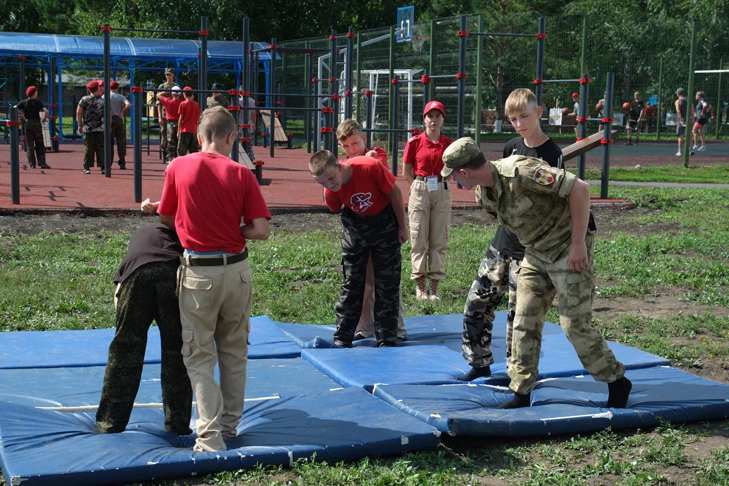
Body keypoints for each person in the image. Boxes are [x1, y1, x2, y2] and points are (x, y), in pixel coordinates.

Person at [441, 137, 632, 409]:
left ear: (464, 172)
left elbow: (580, 189)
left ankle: (616, 381)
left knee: (574, 325)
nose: (456, 182)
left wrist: (579, 244)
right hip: (536, 253)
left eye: (455, 176)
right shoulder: (484, 192)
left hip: (568, 248)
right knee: (523, 320)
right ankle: (521, 390)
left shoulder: (521, 172)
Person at [158, 105, 271, 452]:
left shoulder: (178, 166)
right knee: (234, 351)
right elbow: (261, 230)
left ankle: (209, 436)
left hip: (198, 274)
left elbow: (165, 218)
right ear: (231, 136)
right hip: (236, 271)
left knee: (199, 354)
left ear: (198, 135)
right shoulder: (241, 174)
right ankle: (229, 425)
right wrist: (232, 229)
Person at [459, 88, 564, 381]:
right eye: (513, 119)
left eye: (524, 116)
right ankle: (478, 361)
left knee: (517, 316)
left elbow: (555, 202)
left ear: (539, 112)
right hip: (502, 242)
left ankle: (514, 372)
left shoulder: (552, 154)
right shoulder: (511, 147)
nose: (519, 124)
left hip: (529, 250)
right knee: (477, 302)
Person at [95, 216, 193, 436]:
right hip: (172, 274)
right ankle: (177, 424)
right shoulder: (188, 233)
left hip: (138, 274)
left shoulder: (143, 233)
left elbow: (119, 290)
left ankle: (110, 422)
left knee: (125, 349)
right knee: (177, 351)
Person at [308, 149, 407, 348]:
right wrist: (329, 187)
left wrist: (402, 226)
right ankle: (343, 336)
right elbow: (336, 209)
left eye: (331, 178)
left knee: (387, 281)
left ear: (339, 166)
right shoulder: (330, 190)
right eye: (323, 182)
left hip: (384, 220)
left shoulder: (369, 167)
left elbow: (394, 193)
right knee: (352, 282)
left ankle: (387, 336)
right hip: (355, 224)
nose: (330, 184)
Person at [335, 119, 407, 342]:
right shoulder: (344, 166)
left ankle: (396, 327)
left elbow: (391, 189)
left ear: (363, 139)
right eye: (346, 146)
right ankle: (363, 325)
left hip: (382, 226)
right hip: (359, 228)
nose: (351, 150)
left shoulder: (375, 157)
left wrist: (401, 226)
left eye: (355, 143)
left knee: (386, 279)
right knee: (362, 279)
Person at [403, 100, 452, 300]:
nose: (433, 120)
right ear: (424, 119)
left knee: (438, 238)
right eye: (429, 116)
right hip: (421, 188)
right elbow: (407, 170)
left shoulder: (448, 144)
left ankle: (435, 288)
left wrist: (442, 181)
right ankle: (420, 287)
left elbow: (452, 167)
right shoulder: (414, 142)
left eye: (437, 116)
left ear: (442, 120)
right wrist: (417, 186)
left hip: (441, 188)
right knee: (418, 236)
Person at [15, 85, 50, 169]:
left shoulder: (23, 102)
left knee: (29, 145)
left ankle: (32, 164)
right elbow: (45, 110)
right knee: (40, 144)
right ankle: (42, 163)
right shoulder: (38, 102)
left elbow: (16, 108)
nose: (37, 93)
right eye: (36, 92)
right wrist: (44, 118)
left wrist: (22, 117)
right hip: (37, 124)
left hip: (27, 124)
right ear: (34, 93)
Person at [77, 80, 105, 174]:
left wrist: (80, 125)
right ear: (97, 88)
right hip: (100, 127)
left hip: (88, 128)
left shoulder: (84, 99)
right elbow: (108, 114)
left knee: (89, 148)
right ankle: (103, 167)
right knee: (101, 148)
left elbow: (79, 113)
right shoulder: (103, 100)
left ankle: (87, 167)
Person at [105, 80, 130, 169]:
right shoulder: (120, 97)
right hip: (119, 119)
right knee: (121, 142)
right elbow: (128, 104)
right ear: (117, 88)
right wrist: (122, 112)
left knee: (109, 142)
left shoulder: (105, 96)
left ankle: (109, 162)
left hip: (109, 120)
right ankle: (122, 162)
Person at [157, 86, 183, 163]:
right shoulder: (181, 102)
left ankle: (170, 158)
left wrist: (167, 92)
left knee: (170, 140)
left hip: (170, 123)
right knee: (179, 140)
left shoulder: (168, 101)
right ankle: (178, 157)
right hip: (179, 122)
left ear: (172, 94)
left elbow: (158, 95)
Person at [157, 68, 177, 161]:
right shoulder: (162, 86)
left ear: (173, 75)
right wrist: (159, 116)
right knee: (164, 133)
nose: (168, 76)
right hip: (164, 113)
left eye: (169, 74)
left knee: (173, 134)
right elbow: (158, 102)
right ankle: (164, 153)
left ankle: (172, 154)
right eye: (166, 75)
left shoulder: (176, 86)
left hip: (174, 114)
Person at [177, 86, 201, 156]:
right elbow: (199, 118)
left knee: (181, 151)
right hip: (194, 130)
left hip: (184, 130)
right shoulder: (196, 104)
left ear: (184, 94)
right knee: (193, 151)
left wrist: (178, 131)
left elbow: (180, 119)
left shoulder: (182, 104)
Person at [238, 91, 258, 163]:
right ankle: (250, 156)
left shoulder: (238, 100)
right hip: (249, 123)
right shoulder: (252, 101)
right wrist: (254, 123)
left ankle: (241, 157)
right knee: (248, 141)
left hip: (240, 124)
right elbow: (253, 114)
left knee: (240, 141)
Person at [675, 88, 688, 156]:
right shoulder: (688, 100)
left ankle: (680, 151)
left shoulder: (677, 101)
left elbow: (678, 111)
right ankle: (689, 151)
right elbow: (692, 110)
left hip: (681, 120)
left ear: (678, 93)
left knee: (680, 136)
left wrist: (681, 120)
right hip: (688, 119)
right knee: (688, 135)